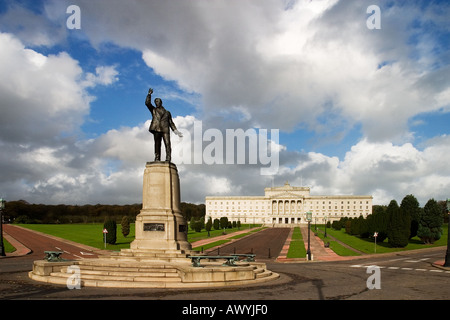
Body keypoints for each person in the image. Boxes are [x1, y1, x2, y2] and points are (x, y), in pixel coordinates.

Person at [145, 88, 183, 162]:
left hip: (165, 130)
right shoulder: (153, 110)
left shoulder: (167, 112)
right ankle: (157, 158)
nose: (156, 102)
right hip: (156, 129)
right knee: (157, 144)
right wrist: (149, 95)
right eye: (155, 101)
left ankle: (168, 158)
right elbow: (147, 103)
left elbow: (171, 122)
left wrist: (176, 131)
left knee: (168, 144)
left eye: (158, 101)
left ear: (161, 102)